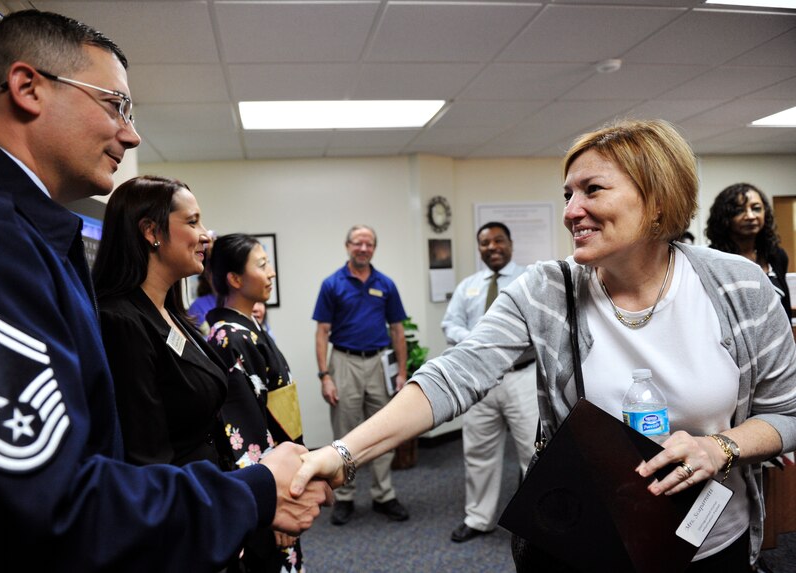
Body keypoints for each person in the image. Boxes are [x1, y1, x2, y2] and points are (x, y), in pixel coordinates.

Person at [0, 10, 329, 570]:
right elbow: (47, 509)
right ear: (27, 87)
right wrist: (250, 494)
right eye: (115, 106)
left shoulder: (21, 231)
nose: (129, 135)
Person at [293, 119, 796, 570]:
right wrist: (342, 452)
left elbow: (787, 415)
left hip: (709, 542)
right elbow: (455, 374)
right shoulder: (548, 290)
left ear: (658, 198)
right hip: (591, 540)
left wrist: (720, 447)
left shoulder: (737, 286)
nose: (571, 211)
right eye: (566, 194)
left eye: (592, 190)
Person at [92, 175, 231, 471]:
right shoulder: (121, 322)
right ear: (151, 231)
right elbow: (147, 457)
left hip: (211, 486)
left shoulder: (171, 313)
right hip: (183, 499)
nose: (205, 235)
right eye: (192, 222)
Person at [206, 233, 306, 572]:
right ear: (235, 279)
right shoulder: (229, 336)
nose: (271, 273)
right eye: (262, 265)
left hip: (282, 467)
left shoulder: (250, 327)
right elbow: (245, 431)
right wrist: (273, 500)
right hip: (267, 482)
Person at [441, 221, 539, 543]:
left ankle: (536, 518)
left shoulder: (530, 280)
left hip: (521, 377)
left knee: (534, 453)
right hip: (478, 382)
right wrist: (475, 339)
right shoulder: (468, 286)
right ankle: (479, 518)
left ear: (510, 243)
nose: (492, 247)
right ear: (479, 248)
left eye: (498, 240)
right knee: (478, 452)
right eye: (485, 243)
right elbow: (450, 323)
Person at [313, 224, 410, 525]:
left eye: (369, 244)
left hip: (379, 363)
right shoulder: (332, 284)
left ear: (374, 249)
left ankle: (384, 495)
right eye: (358, 243)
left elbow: (397, 330)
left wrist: (402, 373)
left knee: (384, 431)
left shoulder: (386, 284)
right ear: (347, 246)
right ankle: (345, 497)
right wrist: (325, 375)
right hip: (344, 361)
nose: (363, 248)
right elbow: (321, 332)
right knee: (345, 433)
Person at [706, 183, 791, 318]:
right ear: (724, 218)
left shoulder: (776, 255)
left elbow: (784, 309)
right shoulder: (712, 261)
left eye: (756, 208)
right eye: (739, 210)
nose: (750, 216)